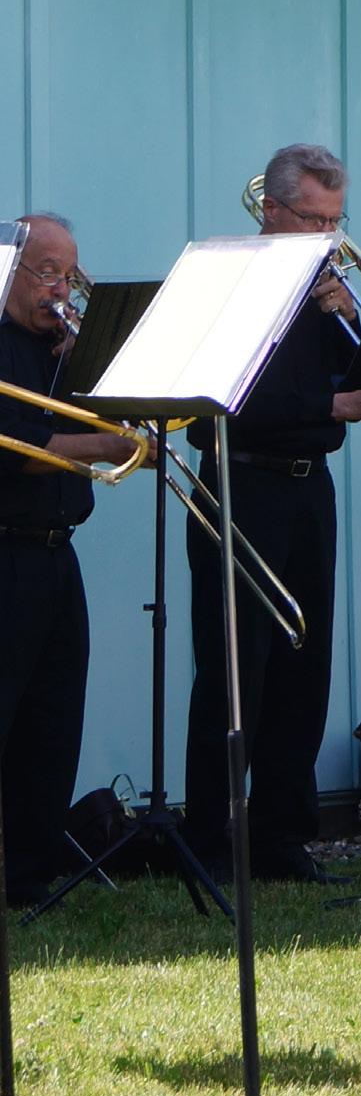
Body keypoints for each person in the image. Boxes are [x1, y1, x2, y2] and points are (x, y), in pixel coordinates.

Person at [185, 144, 361, 884]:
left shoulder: (324, 291)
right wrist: (337, 404)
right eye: (313, 219)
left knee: (303, 663)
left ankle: (282, 835)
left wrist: (351, 325)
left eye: (335, 220)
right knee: (234, 667)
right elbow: (218, 408)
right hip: (239, 483)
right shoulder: (228, 281)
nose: (327, 235)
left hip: (309, 486)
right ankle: (211, 836)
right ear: (271, 209)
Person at [0, 214, 143, 902]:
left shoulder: (62, 348)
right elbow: (17, 447)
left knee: (54, 718)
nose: (59, 289)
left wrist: (90, 364)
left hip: (60, 553)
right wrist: (106, 446)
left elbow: (118, 416)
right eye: (47, 272)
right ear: (10, 270)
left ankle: (30, 874)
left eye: (69, 275)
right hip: (6, 547)